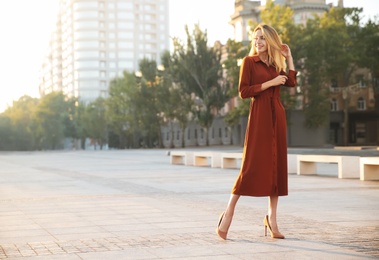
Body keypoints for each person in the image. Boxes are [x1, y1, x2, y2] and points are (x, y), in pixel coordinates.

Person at [216, 24, 297, 240]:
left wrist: (288, 57)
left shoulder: (275, 63)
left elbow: (292, 81)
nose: (258, 42)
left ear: (270, 41)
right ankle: (229, 212)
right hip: (260, 116)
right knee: (251, 166)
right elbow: (243, 92)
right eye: (256, 38)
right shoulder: (249, 62)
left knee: (276, 167)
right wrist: (270, 83)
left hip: (277, 117)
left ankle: (272, 219)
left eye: (262, 38)